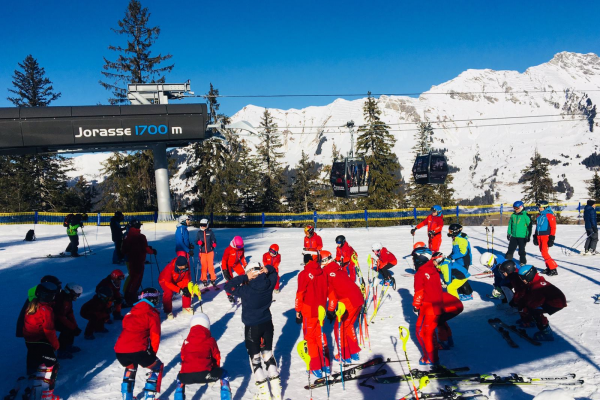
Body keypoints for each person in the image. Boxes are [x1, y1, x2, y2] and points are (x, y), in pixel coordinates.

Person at [224, 262, 280, 400]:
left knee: (255, 359)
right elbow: (274, 273)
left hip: (252, 327)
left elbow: (228, 286)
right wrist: (268, 269)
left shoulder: (246, 290)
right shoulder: (269, 283)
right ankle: (277, 392)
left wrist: (244, 277)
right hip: (267, 323)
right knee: (268, 355)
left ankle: (264, 394)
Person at [114, 288, 163, 400]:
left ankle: (127, 397)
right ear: (152, 299)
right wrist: (152, 355)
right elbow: (155, 336)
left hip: (120, 351)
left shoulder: (129, 313)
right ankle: (149, 397)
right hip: (138, 350)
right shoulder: (152, 314)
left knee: (130, 368)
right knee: (157, 367)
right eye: (157, 298)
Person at [174, 313, 231, 400]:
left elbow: (183, 358)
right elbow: (216, 357)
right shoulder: (210, 341)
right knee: (224, 374)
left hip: (186, 376)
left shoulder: (186, 342)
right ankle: (226, 397)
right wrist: (214, 370)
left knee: (179, 378)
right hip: (206, 373)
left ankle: (178, 397)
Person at [323, 251, 364, 363]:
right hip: (358, 298)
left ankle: (344, 355)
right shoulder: (337, 268)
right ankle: (354, 352)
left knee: (339, 327)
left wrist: (330, 311)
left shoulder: (327, 273)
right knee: (348, 325)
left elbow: (332, 295)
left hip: (349, 301)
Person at [22, 282, 61, 400]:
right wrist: (56, 345)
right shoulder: (46, 310)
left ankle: (36, 390)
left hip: (31, 342)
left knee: (43, 365)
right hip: (40, 342)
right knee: (53, 366)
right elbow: (49, 330)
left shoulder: (32, 303)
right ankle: (47, 396)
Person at [295, 252, 330, 377]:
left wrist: (297, 310)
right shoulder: (323, 272)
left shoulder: (303, 274)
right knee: (320, 336)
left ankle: (315, 366)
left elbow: (300, 294)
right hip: (321, 310)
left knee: (310, 339)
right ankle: (325, 364)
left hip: (309, 311)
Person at [511, 265, 567, 341]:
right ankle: (530, 321)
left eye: (523, 278)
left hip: (556, 303)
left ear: (529, 275)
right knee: (528, 307)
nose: (522, 280)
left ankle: (547, 333)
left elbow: (537, 301)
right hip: (549, 299)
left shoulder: (537, 286)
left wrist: (527, 309)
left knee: (534, 312)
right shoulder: (534, 282)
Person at [412, 248, 444, 365]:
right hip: (434, 305)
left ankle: (432, 358)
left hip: (429, 306)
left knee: (424, 333)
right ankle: (431, 353)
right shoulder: (432, 269)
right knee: (426, 331)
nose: (413, 261)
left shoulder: (421, 273)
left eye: (415, 258)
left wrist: (416, 305)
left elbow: (419, 291)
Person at [122, 219, 157, 305]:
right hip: (138, 260)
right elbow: (145, 249)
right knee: (136, 279)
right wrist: (152, 251)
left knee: (132, 278)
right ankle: (131, 296)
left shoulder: (127, 235)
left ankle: (128, 295)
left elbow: (124, 250)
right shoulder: (140, 236)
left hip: (131, 260)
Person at [53, 282, 83, 359]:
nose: (76, 297)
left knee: (71, 329)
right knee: (66, 330)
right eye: (76, 295)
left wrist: (75, 326)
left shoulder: (68, 299)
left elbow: (70, 313)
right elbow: (60, 316)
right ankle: (61, 350)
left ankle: (68, 345)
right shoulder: (60, 299)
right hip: (52, 319)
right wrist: (72, 327)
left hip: (59, 318)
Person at [447, 223, 474, 300]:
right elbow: (454, 250)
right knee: (457, 277)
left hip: (464, 261)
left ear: (455, 231)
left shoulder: (461, 239)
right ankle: (462, 292)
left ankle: (468, 294)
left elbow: (463, 252)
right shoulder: (455, 238)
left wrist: (452, 256)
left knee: (462, 278)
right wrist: (450, 256)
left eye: (451, 231)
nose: (449, 233)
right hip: (458, 261)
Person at [533, 201, 558, 276]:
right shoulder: (539, 216)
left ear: (545, 207)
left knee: (544, 252)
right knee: (542, 252)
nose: (539, 208)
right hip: (539, 235)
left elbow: (553, 227)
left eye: (540, 207)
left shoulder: (549, 215)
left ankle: (553, 268)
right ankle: (549, 267)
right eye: (539, 207)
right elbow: (537, 226)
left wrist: (551, 237)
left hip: (546, 236)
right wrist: (535, 236)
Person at [505, 201, 532, 266]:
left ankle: (523, 262)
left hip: (522, 236)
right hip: (514, 236)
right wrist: (509, 233)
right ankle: (507, 260)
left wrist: (528, 235)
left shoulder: (525, 215)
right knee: (510, 249)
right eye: (514, 208)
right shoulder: (513, 215)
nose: (515, 210)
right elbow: (510, 224)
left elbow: (529, 226)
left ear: (521, 207)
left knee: (521, 250)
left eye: (516, 208)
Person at [222, 236, 247, 304]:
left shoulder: (241, 249)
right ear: (234, 244)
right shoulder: (228, 250)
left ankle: (244, 289)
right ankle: (229, 293)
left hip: (236, 263)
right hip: (228, 265)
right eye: (238, 247)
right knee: (230, 279)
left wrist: (245, 265)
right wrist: (225, 270)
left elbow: (242, 257)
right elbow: (224, 260)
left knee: (243, 275)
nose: (240, 248)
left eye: (241, 246)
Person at [196, 218, 218, 287]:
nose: (203, 226)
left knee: (210, 266)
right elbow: (196, 241)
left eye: (204, 225)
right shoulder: (199, 233)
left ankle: (213, 279)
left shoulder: (210, 232)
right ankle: (204, 279)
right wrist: (198, 242)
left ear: (207, 225)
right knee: (204, 267)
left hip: (210, 252)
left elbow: (214, 240)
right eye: (201, 225)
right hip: (202, 253)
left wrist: (214, 243)